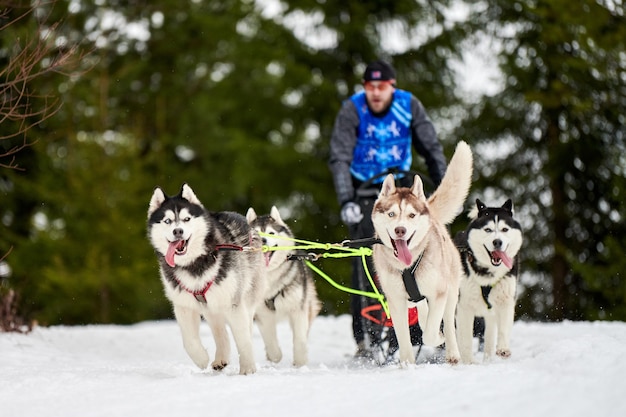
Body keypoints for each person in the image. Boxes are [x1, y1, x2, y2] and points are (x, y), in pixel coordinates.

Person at [328, 60, 448, 358]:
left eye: (382, 87)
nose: (376, 93)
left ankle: (422, 328)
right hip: (367, 193)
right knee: (367, 260)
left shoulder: (408, 105)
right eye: (370, 87)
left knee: (423, 254)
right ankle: (367, 333)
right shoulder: (353, 109)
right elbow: (340, 157)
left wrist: (442, 192)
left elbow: (431, 148)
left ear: (392, 86)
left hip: (405, 190)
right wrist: (347, 201)